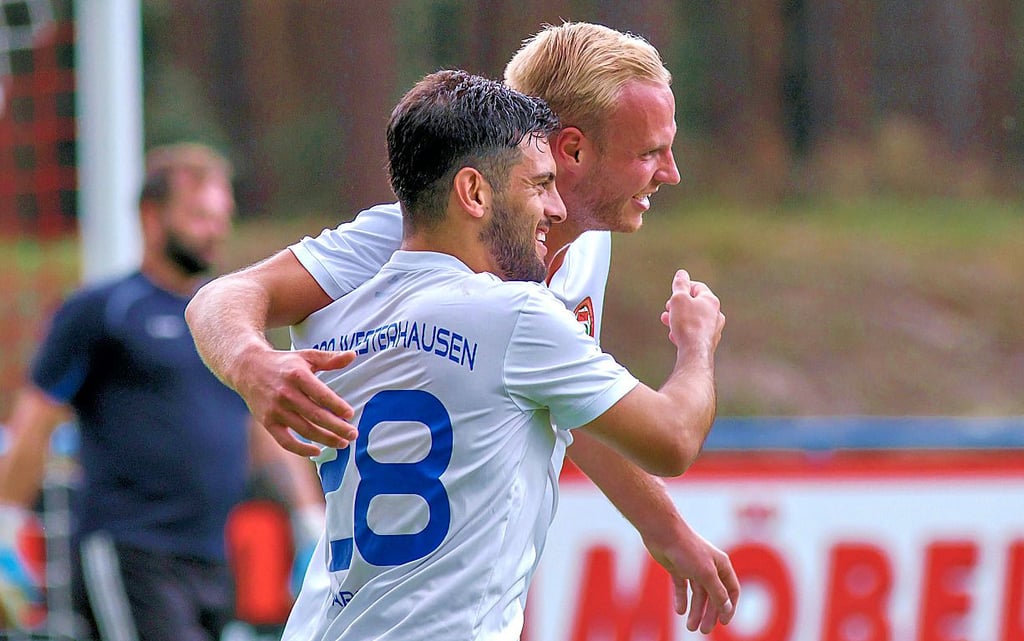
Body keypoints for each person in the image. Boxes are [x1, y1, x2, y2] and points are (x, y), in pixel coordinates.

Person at [185, 22, 739, 633]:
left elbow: (573, 401)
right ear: (572, 150)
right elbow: (225, 296)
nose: (671, 173)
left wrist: (666, 530)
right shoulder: (412, 236)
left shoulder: (583, 251)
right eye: (650, 152)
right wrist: (252, 364)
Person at [0, 143, 324, 641]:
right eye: (198, 217)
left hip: (213, 555)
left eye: (221, 218)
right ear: (152, 217)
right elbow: (35, 421)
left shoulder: (229, 322)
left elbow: (260, 420)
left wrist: (308, 519)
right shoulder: (103, 311)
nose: (214, 230)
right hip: (131, 552)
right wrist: (6, 526)